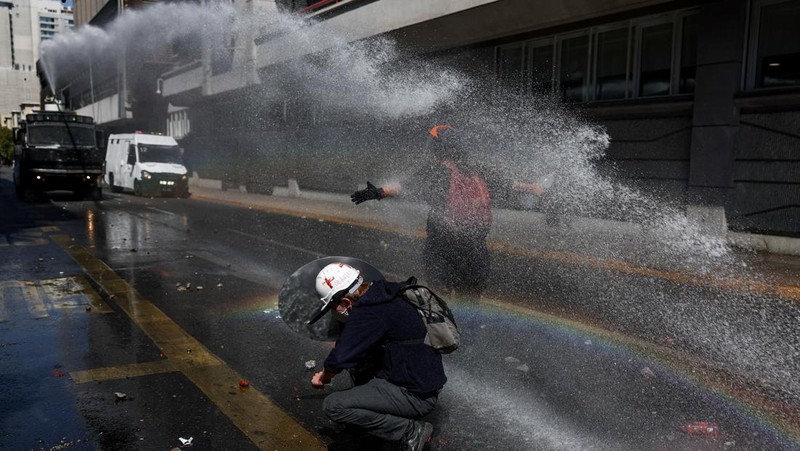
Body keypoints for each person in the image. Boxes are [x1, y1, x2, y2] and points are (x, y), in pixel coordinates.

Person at [351, 124, 545, 296]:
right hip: (475, 250)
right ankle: (468, 332)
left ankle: (446, 332)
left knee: (440, 299)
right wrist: (534, 187)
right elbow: (510, 185)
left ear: (438, 148)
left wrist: (376, 192)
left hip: (442, 248)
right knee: (469, 297)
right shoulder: (478, 171)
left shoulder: (436, 171)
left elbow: (401, 187)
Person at [308, 261, 445, 451]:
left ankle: (410, 431)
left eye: (333, 307)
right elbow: (352, 344)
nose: (335, 313)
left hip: (415, 396)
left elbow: (341, 357)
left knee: (334, 405)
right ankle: (373, 416)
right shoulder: (382, 294)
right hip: (422, 382)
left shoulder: (368, 312)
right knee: (360, 362)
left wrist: (324, 376)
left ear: (346, 302)